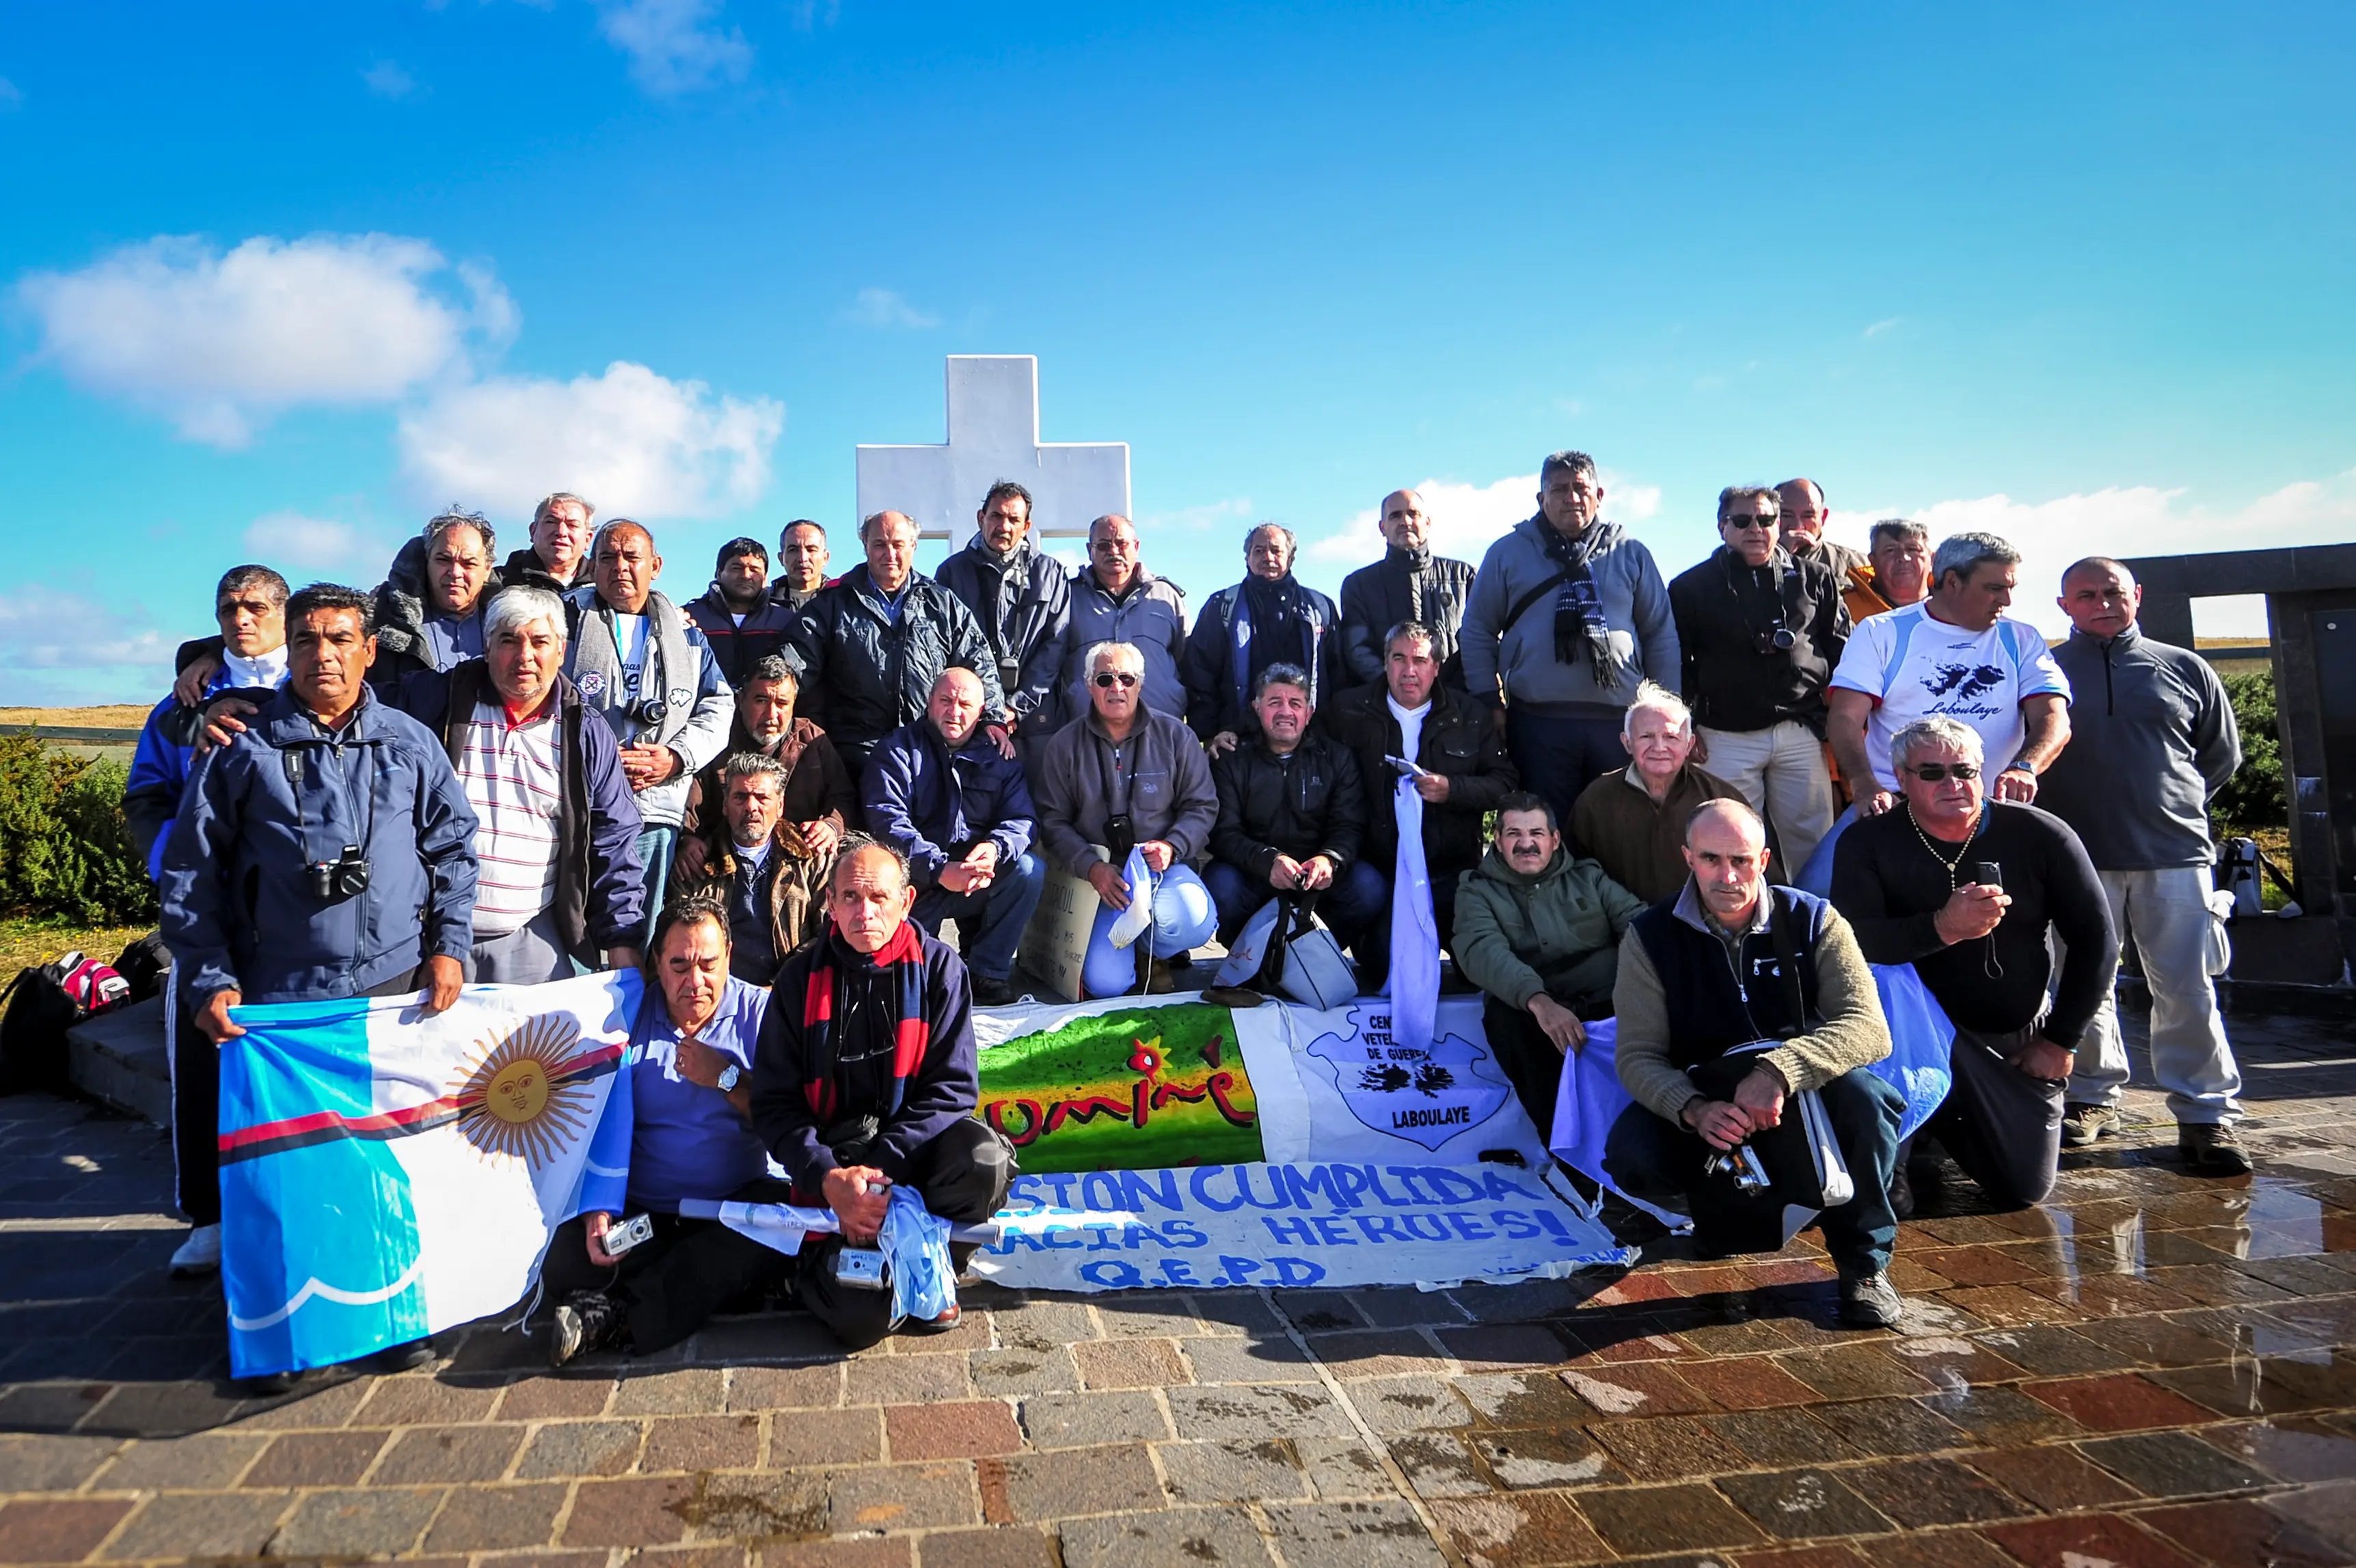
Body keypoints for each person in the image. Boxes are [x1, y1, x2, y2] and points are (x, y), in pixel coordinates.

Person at [159, 583, 478, 1384]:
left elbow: (453, 849)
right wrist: (208, 978)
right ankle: (290, 1327)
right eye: (307, 639)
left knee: (387, 1161)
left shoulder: (410, 741)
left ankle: (394, 1311)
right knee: (291, 1172)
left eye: (341, 639)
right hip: (283, 999)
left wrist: (450, 946)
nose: (324, 655)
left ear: (369, 650)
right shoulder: (240, 748)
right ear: (289, 651)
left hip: (391, 990)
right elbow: (192, 874)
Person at [1608, 799, 1905, 1328]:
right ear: (1688, 858)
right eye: (1711, 859)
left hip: (1804, 1089)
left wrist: (1778, 1072)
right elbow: (1637, 1055)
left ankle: (1863, 1266)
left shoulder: (1814, 918)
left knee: (1867, 1101)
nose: (1727, 876)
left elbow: (1868, 1028)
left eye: (1741, 860)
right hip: (1707, 1094)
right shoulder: (1648, 935)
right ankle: (1719, 1212)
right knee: (1633, 1156)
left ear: (1763, 860)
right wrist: (1692, 1108)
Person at [1831, 718, 2116, 1214]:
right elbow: (1852, 943)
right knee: (1883, 981)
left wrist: (2060, 1041)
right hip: (1909, 1036)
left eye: (1964, 770)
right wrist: (1942, 927)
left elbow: (2098, 941)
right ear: (1902, 779)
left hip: (2010, 1038)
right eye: (1932, 772)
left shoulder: (2040, 834)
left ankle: (1943, 1121)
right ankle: (1894, 1153)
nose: (1953, 783)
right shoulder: (1866, 841)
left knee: (2022, 1188)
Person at [750, 836, 1016, 1349]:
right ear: (830, 903)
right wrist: (829, 1178)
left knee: (983, 1160)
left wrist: (883, 1168)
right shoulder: (799, 979)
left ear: (906, 901)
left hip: (911, 1152)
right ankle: (824, 1265)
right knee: (861, 1322)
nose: (864, 912)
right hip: (836, 1164)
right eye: (850, 897)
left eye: (879, 898)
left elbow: (952, 1089)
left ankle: (938, 1259)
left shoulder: (940, 969)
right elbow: (774, 1103)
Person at [2041, 558, 2249, 1174]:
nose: (2101, 603)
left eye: (2112, 592)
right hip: (2078, 859)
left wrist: (2168, 805)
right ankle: (2090, 1097)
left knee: (2186, 988)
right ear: (2064, 606)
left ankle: (2205, 1113)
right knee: (2083, 985)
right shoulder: (2044, 669)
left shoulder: (2185, 667)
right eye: (2086, 595)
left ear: (2136, 595)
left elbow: (2219, 756)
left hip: (2175, 855)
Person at [124, 565, 290, 1281]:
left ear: (284, 611)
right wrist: (174, 862)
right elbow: (146, 793)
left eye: (255, 606)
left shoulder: (316, 679)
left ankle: (293, 1206)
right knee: (200, 1054)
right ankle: (208, 1215)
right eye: (228, 608)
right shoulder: (184, 699)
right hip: (208, 904)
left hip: (292, 907)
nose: (241, 619)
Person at [543, 897, 791, 1365]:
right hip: (650, 1211)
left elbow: (787, 1121)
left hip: (734, 1205)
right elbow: (593, 1122)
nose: (694, 982)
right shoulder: (626, 1017)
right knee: (565, 1259)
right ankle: (713, 1286)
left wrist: (726, 1078)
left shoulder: (762, 1014)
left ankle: (619, 1315)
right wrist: (598, 1208)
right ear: (656, 962)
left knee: (769, 1229)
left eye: (708, 965)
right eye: (679, 966)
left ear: (729, 957)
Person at [383, 586, 647, 983]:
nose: (524, 656)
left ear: (561, 651)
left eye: (540, 642)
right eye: (509, 640)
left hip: (531, 936)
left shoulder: (585, 732)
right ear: (487, 647)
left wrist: (622, 940)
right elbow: (346, 702)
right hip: (426, 935)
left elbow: (613, 839)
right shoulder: (434, 701)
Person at [1461, 450, 1679, 828]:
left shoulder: (1631, 553)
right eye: (1559, 489)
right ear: (1541, 498)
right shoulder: (1507, 553)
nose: (1571, 498)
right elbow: (1477, 630)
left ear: (1600, 495)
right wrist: (1487, 700)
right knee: (1547, 829)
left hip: (1620, 722)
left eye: (1581, 488)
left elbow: (1660, 633)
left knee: (1619, 829)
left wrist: (1667, 709)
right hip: (1537, 722)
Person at [1826, 531, 2071, 817]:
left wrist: (2025, 768)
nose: (2006, 600)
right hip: (1896, 807)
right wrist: (1864, 783)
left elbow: (2054, 718)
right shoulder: (1881, 632)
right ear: (1953, 581)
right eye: (1994, 588)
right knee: (1828, 851)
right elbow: (1845, 717)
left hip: (1995, 808)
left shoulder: (2022, 639)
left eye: (2010, 588)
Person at [1670, 485, 1850, 876]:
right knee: (1731, 839)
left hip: (1800, 728)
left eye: (1766, 519)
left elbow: (1841, 652)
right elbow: (1677, 661)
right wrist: (1686, 725)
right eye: (1742, 520)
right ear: (1722, 526)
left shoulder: (1815, 578)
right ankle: (1741, 911)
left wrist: (1839, 719)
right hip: (1724, 734)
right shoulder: (1689, 587)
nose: (1756, 528)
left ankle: (1811, 912)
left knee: (1813, 841)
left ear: (1777, 523)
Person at [565, 519, 734, 923]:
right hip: (580, 802)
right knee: (577, 926)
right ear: (592, 565)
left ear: (655, 566)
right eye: (608, 557)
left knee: (640, 926)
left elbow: (719, 705)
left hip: (655, 807)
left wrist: (676, 757)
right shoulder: (563, 623)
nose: (620, 566)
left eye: (631, 557)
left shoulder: (688, 636)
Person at [1318, 619, 1518, 957]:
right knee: (1384, 967)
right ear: (1385, 662)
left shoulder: (1469, 715)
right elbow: (1306, 751)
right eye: (1399, 658)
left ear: (1436, 667)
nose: (1409, 671)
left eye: (1420, 660)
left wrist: (1452, 789)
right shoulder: (1347, 710)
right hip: (1382, 869)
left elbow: (1505, 784)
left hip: (1449, 872)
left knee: (1477, 967)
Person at [1035, 641, 1220, 998]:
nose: (1116, 687)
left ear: (1140, 684)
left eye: (1126, 678)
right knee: (1108, 984)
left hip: (1160, 871)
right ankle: (1126, 954)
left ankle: (1152, 952)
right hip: (1100, 881)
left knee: (1195, 921)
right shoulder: (1064, 745)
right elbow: (1052, 820)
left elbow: (1202, 806)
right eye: (1105, 679)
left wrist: (1173, 846)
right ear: (1089, 685)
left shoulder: (1177, 737)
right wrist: (1090, 867)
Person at [1452, 794, 1644, 1135]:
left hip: (1606, 1000)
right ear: (1497, 839)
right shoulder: (1476, 891)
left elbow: (1639, 923)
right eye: (1514, 833)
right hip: (1532, 1009)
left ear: (1555, 840)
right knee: (1507, 1023)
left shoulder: (1589, 877)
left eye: (1536, 833)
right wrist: (1541, 1003)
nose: (1526, 844)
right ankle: (1564, 1149)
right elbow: (1482, 951)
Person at [865, 668, 1047, 1005]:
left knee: (1028, 870)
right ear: (930, 701)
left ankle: (987, 972)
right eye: (946, 701)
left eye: (965, 704)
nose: (955, 711)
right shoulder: (896, 750)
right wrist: (938, 869)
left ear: (981, 712)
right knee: (909, 991)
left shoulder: (999, 757)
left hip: (975, 877)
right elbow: (887, 821)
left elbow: (1023, 819)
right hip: (916, 883)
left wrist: (995, 848)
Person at [789, 510, 1007, 772]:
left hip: (929, 754)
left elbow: (979, 663)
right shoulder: (832, 605)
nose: (889, 554)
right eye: (880, 544)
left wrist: (993, 718)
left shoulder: (943, 604)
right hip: (854, 759)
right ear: (865, 546)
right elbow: (795, 660)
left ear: (913, 546)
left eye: (898, 544)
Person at [1206, 664, 1383, 980]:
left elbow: (1349, 825)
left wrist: (1330, 860)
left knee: (1368, 886)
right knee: (1220, 884)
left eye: (1295, 704)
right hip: (1255, 874)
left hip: (1316, 881)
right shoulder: (1231, 758)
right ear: (1257, 708)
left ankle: (1315, 956)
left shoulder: (1337, 758)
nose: (1285, 712)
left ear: (1309, 712)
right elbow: (1223, 833)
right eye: (1275, 702)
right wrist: (1268, 861)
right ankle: (1252, 959)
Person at [678, 655, 858, 884]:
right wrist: (687, 840)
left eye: (782, 703)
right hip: (722, 866)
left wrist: (831, 825)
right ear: (741, 700)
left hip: (800, 870)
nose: (772, 714)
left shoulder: (813, 740)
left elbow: (843, 798)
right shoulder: (717, 739)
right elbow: (688, 803)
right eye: (761, 701)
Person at [1571, 683, 1746, 904]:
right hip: (1622, 921)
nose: (1659, 747)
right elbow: (1575, 877)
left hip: (1702, 921)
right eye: (1646, 737)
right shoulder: (1596, 799)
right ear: (1627, 742)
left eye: (1671, 737)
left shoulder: (1720, 799)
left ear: (1689, 744)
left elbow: (1756, 874)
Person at [935, 481, 1071, 766]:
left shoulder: (1051, 574)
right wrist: (987, 709)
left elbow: (1054, 648)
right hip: (970, 719)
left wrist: (1016, 707)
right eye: (996, 516)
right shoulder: (951, 573)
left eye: (1014, 519)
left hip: (1037, 723)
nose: (1004, 526)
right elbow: (944, 648)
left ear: (1026, 526)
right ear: (981, 518)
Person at [1180, 523, 1340, 755]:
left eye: (1276, 550)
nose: (1268, 557)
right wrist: (1210, 734)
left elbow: (1338, 675)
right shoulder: (1221, 607)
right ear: (1247, 558)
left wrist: (1331, 734)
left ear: (1291, 557)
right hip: (1238, 742)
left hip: (1310, 743)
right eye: (1259, 550)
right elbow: (1199, 674)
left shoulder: (1320, 608)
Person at [675, 753, 826, 988]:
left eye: (762, 798)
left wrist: (780, 987)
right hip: (717, 995)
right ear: (725, 805)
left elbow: (828, 934)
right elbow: (680, 940)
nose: (751, 807)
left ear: (780, 806)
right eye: (740, 797)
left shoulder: (811, 859)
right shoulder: (697, 864)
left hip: (792, 992)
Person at [1050, 513, 1190, 731]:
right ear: (1089, 550)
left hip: (1161, 730)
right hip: (1087, 731)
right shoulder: (1068, 598)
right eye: (1104, 545)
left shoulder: (1166, 597)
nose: (1113, 551)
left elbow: (1189, 664)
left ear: (1136, 547)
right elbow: (1052, 662)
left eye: (1121, 544)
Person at [1338, 489, 1476, 692]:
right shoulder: (1359, 585)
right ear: (1382, 527)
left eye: (1413, 514)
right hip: (1387, 701)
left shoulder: (1463, 577)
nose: (1405, 521)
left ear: (1427, 522)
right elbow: (1357, 649)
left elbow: (1480, 638)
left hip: (1457, 697)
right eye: (1395, 516)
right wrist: (1399, 687)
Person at [371, 510, 503, 681]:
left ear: (487, 570)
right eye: (443, 560)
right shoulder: (383, 622)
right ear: (427, 562)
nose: (455, 573)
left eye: (468, 563)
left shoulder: (510, 626)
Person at [683, 537, 802, 686]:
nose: (746, 575)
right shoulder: (691, 618)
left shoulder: (785, 620)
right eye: (736, 568)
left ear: (765, 578)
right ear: (719, 573)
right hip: (706, 701)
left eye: (755, 570)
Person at [1774, 478, 1870, 584]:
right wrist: (1778, 554)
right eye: (1787, 515)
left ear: (1823, 517)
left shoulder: (1857, 565)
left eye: (1808, 516)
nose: (1797, 526)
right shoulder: (1759, 563)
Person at [506, 491, 597, 593]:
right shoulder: (500, 584)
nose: (561, 532)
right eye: (551, 522)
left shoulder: (603, 587)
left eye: (573, 525)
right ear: (533, 531)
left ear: (588, 539)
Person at [1846, 519, 1934, 624]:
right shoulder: (1844, 608)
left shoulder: (1951, 605)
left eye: (1912, 549)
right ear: (1872, 561)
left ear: (1932, 559)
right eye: (1890, 550)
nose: (1903, 558)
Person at [770, 519, 833, 611]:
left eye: (811, 550)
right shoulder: (763, 605)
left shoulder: (843, 602)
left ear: (825, 558)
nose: (803, 558)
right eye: (793, 550)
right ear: (781, 558)